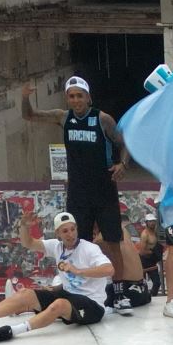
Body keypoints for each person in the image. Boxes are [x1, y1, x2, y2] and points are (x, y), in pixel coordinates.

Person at [19, 77, 136, 283]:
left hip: (104, 189)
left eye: (79, 96)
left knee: (112, 241)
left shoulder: (102, 119)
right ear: (67, 98)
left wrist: (123, 164)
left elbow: (123, 143)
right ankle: (84, 287)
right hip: (78, 191)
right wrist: (24, 97)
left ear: (88, 97)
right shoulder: (63, 117)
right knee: (78, 242)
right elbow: (29, 115)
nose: (76, 100)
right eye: (71, 96)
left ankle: (119, 291)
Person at [0, 211, 113, 342]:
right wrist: (24, 226)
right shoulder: (57, 246)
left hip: (92, 304)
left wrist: (79, 271)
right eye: (65, 231)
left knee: (60, 304)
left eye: (73, 229)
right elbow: (29, 243)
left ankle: (12, 331)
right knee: (25, 294)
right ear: (58, 234)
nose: (70, 234)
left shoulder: (89, 249)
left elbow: (109, 269)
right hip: (69, 295)